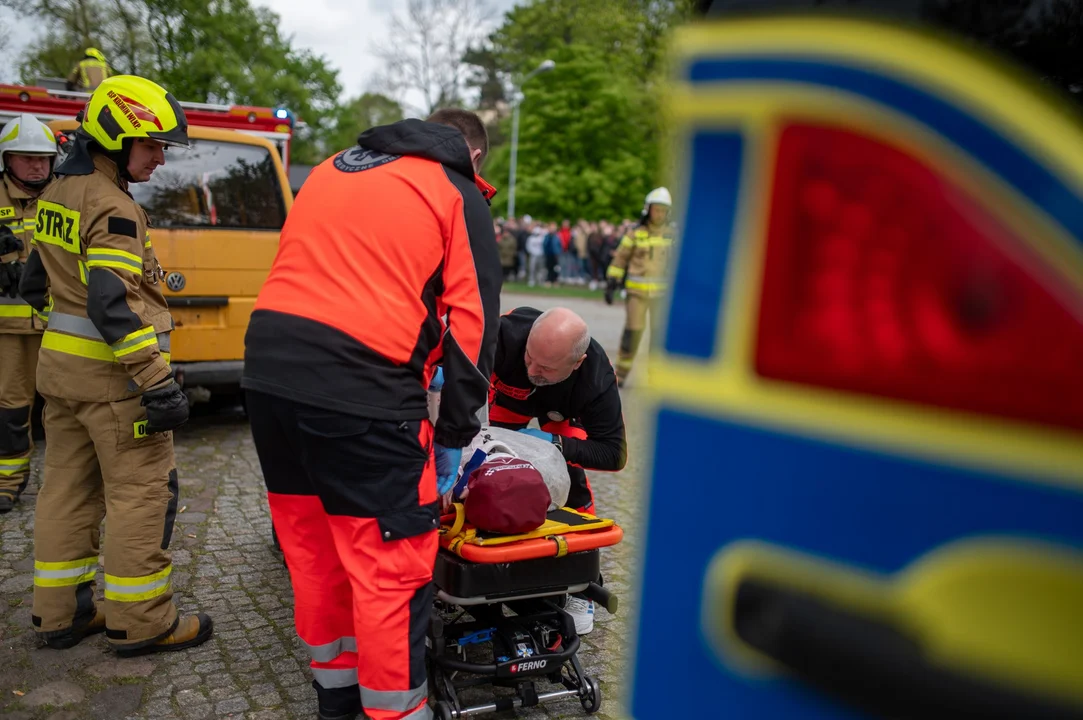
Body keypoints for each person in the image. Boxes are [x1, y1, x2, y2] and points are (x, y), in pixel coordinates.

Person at [241, 108, 502, 720]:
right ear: (475, 156)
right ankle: (394, 712)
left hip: (268, 373)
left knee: (314, 548)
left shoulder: (334, 168)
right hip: (363, 389)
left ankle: (337, 698)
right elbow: (475, 323)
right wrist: (456, 432)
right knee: (392, 566)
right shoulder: (455, 191)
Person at [17, 75, 212, 655]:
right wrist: (155, 380)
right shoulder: (113, 205)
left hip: (59, 378)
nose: (159, 158)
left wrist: (67, 319)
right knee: (141, 496)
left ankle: (60, 615)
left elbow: (33, 283)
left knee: (66, 493)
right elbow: (111, 303)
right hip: (117, 386)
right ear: (111, 138)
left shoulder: (53, 194)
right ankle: (143, 622)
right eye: (150, 145)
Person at [488, 306, 627, 633]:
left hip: (561, 413)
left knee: (570, 478)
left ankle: (584, 581)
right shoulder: (505, 335)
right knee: (495, 466)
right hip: (511, 397)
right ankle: (498, 557)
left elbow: (613, 453)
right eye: (530, 358)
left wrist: (555, 444)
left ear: (576, 362)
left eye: (545, 366)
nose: (533, 368)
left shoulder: (595, 379)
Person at [0, 113, 56, 512]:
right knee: (11, 411)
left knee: (67, 412)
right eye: (26, 157)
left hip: (61, 327)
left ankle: (67, 489)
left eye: (44, 158)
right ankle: (8, 482)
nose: (37, 165)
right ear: (6, 159)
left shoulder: (65, 195)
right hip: (9, 332)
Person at [605, 187, 675, 387]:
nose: (659, 214)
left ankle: (655, 377)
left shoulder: (672, 234)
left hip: (661, 295)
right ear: (648, 209)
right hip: (637, 294)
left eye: (663, 210)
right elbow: (620, 258)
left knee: (658, 336)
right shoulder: (635, 233)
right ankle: (621, 374)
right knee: (633, 332)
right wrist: (611, 282)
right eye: (656, 209)